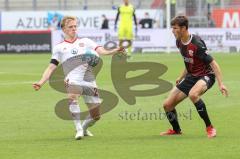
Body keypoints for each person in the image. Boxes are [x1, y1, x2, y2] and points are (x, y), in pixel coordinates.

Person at [33, 16, 125, 140]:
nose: (74, 29)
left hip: (88, 79)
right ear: (64, 29)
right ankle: (79, 129)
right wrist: (41, 82)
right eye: (70, 27)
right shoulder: (59, 48)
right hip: (72, 78)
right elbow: (51, 67)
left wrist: (115, 50)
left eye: (75, 26)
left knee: (96, 116)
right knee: (72, 96)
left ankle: (85, 128)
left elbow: (102, 51)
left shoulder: (86, 42)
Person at [160, 16, 228, 138]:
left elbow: (213, 64)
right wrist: (181, 76)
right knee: (167, 105)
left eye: (175, 28)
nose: (172, 31)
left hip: (206, 75)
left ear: (183, 28)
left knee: (193, 94)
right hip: (191, 77)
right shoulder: (179, 42)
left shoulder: (197, 44)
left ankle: (210, 128)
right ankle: (176, 130)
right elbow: (190, 62)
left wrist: (220, 84)